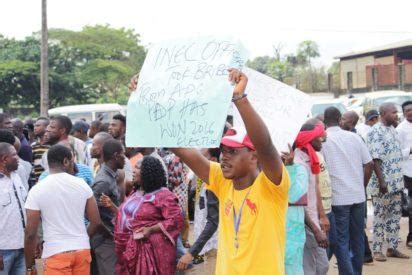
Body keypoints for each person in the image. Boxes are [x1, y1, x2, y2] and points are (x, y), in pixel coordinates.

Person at [170, 69, 290, 274]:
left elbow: (266, 146)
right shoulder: (223, 180)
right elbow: (179, 147)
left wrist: (239, 99)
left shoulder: (272, 186)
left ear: (254, 157)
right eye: (223, 151)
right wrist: (145, 101)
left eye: (233, 152)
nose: (224, 156)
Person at [24, 145, 101, 275]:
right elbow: (96, 221)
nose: (74, 165)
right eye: (72, 161)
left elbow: (31, 233)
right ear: (66, 161)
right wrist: (80, 239)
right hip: (82, 251)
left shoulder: (37, 190)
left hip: (56, 253)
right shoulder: (82, 184)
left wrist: (30, 266)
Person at [321, 107, 373, 275]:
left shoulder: (322, 141)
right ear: (340, 118)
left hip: (338, 199)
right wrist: (361, 185)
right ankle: (355, 272)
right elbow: (369, 164)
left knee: (341, 241)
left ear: (324, 121)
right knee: (357, 239)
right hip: (358, 196)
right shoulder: (355, 138)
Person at [113, 156, 183, 275]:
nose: (134, 171)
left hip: (148, 251)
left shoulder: (164, 195)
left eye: (138, 168)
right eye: (134, 167)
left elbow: (175, 220)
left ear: (149, 173)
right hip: (126, 246)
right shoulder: (136, 192)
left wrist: (151, 229)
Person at [366, 102, 410, 261]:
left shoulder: (392, 130)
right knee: (380, 216)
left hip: (396, 182)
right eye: (393, 112)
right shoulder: (375, 131)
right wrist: (382, 182)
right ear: (383, 114)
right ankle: (377, 250)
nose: (397, 115)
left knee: (395, 216)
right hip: (383, 185)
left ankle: (392, 248)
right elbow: (375, 159)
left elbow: (395, 156)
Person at [294, 120, 329, 275]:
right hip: (304, 222)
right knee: (310, 268)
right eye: (319, 137)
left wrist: (322, 217)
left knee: (322, 266)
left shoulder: (311, 158)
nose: (322, 140)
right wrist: (315, 229)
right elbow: (297, 202)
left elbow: (315, 189)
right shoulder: (298, 163)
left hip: (314, 220)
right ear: (309, 139)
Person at [177, 148, 220, 270]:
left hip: (213, 247)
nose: (197, 163)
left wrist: (191, 252)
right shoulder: (205, 181)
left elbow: (213, 222)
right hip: (208, 246)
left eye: (202, 158)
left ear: (212, 160)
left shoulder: (214, 183)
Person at [91, 139, 125, 275]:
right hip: (105, 240)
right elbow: (92, 213)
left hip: (111, 236)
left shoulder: (112, 175)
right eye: (123, 155)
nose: (125, 159)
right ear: (116, 156)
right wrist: (109, 234)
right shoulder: (103, 181)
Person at [281, 144, 308, 275]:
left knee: (292, 268)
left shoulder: (299, 169)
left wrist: (289, 167)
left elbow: (292, 196)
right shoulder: (262, 168)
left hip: (292, 232)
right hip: (270, 231)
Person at [0, 142, 27, 275]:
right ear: (4, 159)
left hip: (22, 246)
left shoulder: (16, 177)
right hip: (3, 250)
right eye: (15, 155)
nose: (18, 158)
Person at [396, 100, 412, 248]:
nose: (411, 112)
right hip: (408, 172)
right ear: (404, 112)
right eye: (408, 110)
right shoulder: (400, 129)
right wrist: (410, 151)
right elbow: (396, 153)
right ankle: (410, 237)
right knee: (410, 207)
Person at [30, 117, 50, 187]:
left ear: (46, 127)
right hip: (36, 183)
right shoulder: (33, 145)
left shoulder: (52, 146)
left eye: (38, 126)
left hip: (48, 182)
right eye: (34, 126)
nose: (35, 128)